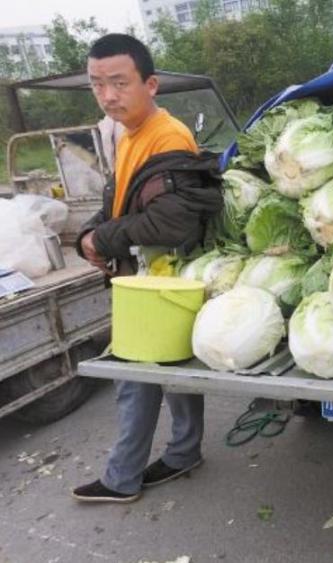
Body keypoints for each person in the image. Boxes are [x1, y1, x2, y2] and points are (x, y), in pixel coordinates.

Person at [72, 34, 223, 503]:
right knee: (172, 370)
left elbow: (171, 221)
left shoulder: (168, 136)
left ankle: (121, 479)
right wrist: (90, 235)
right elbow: (119, 202)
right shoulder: (124, 133)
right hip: (150, 278)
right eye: (97, 85)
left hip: (160, 278)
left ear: (151, 84)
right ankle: (183, 453)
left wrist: (105, 237)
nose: (108, 95)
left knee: (133, 377)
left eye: (119, 83)